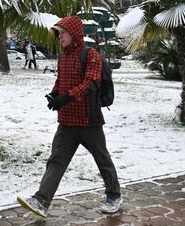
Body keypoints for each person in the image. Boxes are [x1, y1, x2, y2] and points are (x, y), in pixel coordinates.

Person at [17, 16, 121, 218]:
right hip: (66, 123)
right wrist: (55, 94)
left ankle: (114, 196)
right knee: (56, 161)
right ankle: (41, 201)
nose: (59, 37)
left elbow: (91, 83)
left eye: (62, 33)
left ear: (73, 33)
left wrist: (66, 97)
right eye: (58, 33)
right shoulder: (63, 56)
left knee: (102, 160)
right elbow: (61, 80)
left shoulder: (90, 55)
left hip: (88, 121)